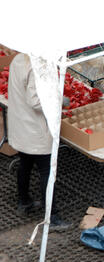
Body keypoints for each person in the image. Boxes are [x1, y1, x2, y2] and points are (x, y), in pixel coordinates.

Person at [7, 53, 72, 230]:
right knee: (47, 171)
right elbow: (36, 101)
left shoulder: (18, 59)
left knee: (25, 163)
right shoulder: (39, 65)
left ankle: (24, 201)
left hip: (20, 123)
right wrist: (60, 100)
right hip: (34, 128)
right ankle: (52, 217)